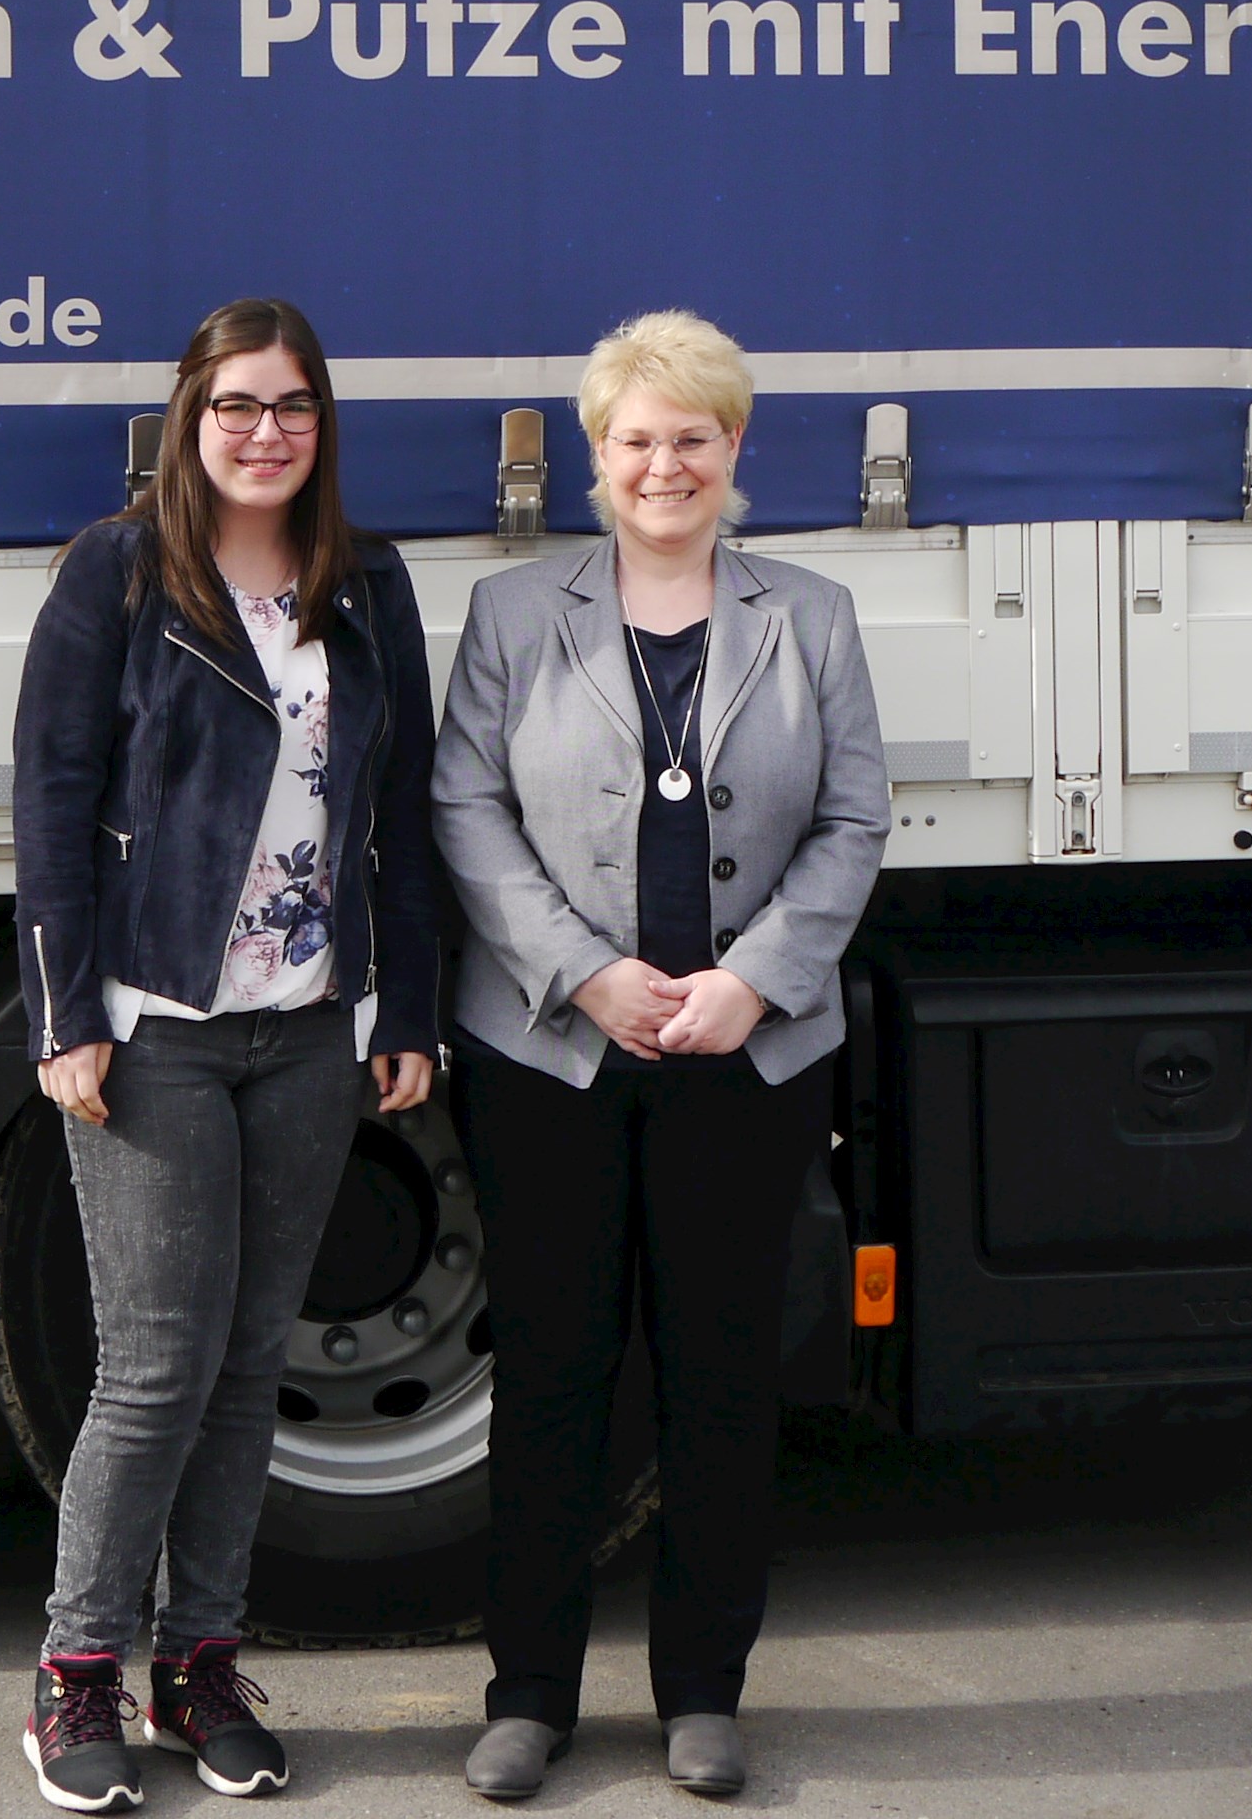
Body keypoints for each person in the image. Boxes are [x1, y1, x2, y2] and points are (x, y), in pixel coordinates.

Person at [430, 310, 890, 1803]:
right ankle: (529, 1696)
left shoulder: (810, 616)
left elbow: (855, 822)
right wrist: (586, 973)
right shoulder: (516, 614)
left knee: (722, 1379)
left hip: (744, 1064)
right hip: (554, 1058)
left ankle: (702, 1692)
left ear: (733, 445)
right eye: (637, 439)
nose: (664, 465)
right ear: (598, 451)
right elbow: (465, 811)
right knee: (552, 1375)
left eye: (693, 436)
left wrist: (753, 984)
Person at [8, 297, 442, 1811]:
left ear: (324, 424)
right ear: (191, 420)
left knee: (252, 1362)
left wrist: (407, 1006)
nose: (267, 431)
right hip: (158, 1029)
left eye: (293, 405)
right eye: (238, 405)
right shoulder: (120, 572)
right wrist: (64, 1016)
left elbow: (405, 810)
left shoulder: (367, 581)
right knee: (156, 1368)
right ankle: (75, 1675)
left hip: (311, 1026)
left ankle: (198, 1665)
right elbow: (51, 804)